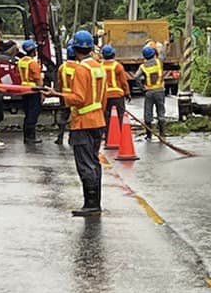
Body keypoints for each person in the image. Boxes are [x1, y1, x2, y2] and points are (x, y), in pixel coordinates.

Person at [53, 29, 108, 215]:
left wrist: (57, 94)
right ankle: (95, 202)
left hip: (83, 123)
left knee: (85, 164)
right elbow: (104, 96)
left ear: (75, 49)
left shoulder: (81, 70)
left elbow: (78, 98)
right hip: (98, 120)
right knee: (94, 162)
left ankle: (91, 204)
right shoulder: (99, 67)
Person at [138, 44, 168, 143]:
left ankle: (149, 135)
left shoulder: (143, 66)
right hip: (160, 91)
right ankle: (162, 134)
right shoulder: (159, 62)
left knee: (148, 114)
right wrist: (165, 44)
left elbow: (136, 77)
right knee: (161, 112)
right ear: (154, 54)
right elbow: (163, 54)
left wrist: (142, 88)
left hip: (149, 92)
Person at [17, 39, 45, 144]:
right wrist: (42, 93)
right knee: (33, 114)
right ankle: (31, 137)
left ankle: (26, 136)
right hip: (34, 90)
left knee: (28, 113)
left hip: (24, 90)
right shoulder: (33, 63)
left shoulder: (21, 62)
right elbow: (38, 80)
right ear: (33, 51)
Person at [100, 45, 130, 136]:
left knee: (107, 116)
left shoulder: (99, 66)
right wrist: (127, 93)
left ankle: (108, 136)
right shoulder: (118, 66)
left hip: (105, 96)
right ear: (113, 54)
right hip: (117, 95)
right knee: (120, 115)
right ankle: (120, 135)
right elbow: (123, 82)